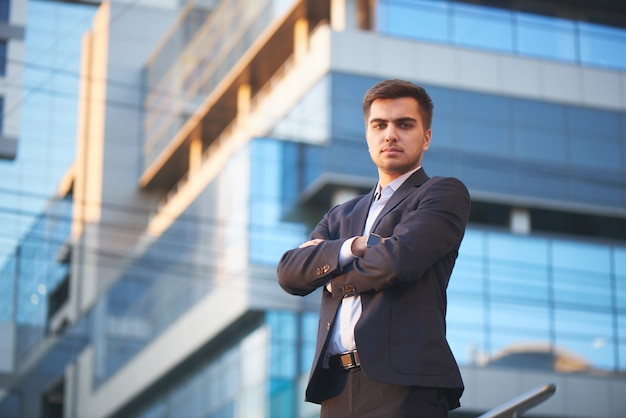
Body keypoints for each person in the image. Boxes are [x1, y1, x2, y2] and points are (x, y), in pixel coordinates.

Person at [277, 79, 470, 417]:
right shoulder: (341, 215)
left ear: (426, 137)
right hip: (335, 387)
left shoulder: (441, 193)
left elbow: (398, 260)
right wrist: (354, 246)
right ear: (368, 135)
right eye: (379, 125)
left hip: (404, 385)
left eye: (404, 124)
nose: (390, 134)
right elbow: (290, 272)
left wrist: (334, 277)